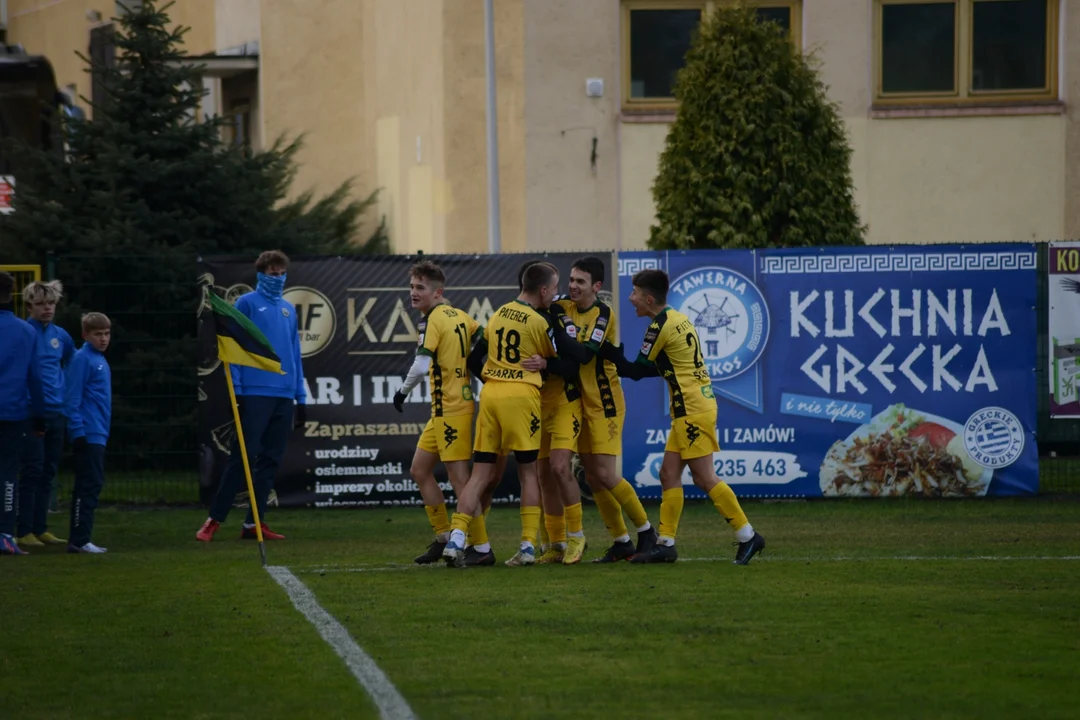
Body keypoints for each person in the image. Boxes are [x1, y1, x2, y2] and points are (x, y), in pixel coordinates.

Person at [600, 269, 765, 565]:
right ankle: (666, 544)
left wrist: (607, 354)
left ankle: (748, 536)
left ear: (648, 299)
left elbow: (637, 371)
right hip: (691, 406)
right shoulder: (677, 318)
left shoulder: (659, 326)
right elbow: (657, 367)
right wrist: (618, 358)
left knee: (704, 477)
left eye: (634, 293)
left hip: (692, 408)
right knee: (669, 474)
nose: (630, 298)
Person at [443, 263, 559, 567]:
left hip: (491, 394)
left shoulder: (497, 314)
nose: (556, 294)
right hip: (522, 396)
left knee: (479, 475)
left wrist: (495, 376)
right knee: (528, 473)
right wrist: (544, 363)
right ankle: (528, 546)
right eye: (555, 288)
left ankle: (457, 536)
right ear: (543, 290)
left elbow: (475, 357)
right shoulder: (539, 322)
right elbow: (559, 358)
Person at [196, 250, 307, 542]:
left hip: (283, 395)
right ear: (260, 274)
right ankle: (214, 520)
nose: (277, 278)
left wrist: (301, 396)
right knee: (242, 458)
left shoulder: (287, 309)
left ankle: (253, 523)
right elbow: (233, 352)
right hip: (255, 394)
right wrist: (240, 392)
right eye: (272, 273)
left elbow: (295, 354)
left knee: (270, 460)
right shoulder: (245, 304)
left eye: (281, 273)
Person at [555, 257, 657, 563]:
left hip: (604, 403)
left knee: (604, 473)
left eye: (580, 281)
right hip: (578, 403)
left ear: (597, 287)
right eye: (571, 280)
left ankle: (647, 531)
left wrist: (558, 340)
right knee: (594, 477)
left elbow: (586, 357)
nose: (573, 286)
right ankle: (621, 540)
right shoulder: (561, 307)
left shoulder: (603, 313)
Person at [390, 261, 491, 565]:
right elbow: (485, 339)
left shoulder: (431, 319)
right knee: (419, 470)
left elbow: (421, 366)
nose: (413, 293)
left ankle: (482, 548)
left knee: (461, 480)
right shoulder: (459, 315)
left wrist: (402, 392)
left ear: (438, 293)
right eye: (411, 287)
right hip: (445, 409)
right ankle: (443, 537)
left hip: (452, 409)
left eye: (420, 287)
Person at [17, 280, 75, 548]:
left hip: (57, 412)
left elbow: (72, 365)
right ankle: (23, 529)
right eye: (41, 304)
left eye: (51, 303)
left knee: (49, 471)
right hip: (30, 413)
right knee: (32, 470)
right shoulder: (22, 333)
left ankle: (41, 528)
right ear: (30, 306)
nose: (47, 308)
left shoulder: (61, 336)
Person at [0, 271, 44, 556]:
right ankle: (4, 534)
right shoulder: (27, 331)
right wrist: (39, 416)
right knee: (7, 474)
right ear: (13, 293)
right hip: (13, 413)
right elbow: (35, 378)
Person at [65, 312, 113, 554]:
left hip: (98, 431)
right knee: (88, 485)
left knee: (92, 484)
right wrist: (78, 433)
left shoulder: (100, 359)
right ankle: (79, 539)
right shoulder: (82, 359)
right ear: (85, 335)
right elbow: (72, 398)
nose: (103, 339)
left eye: (106, 334)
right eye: (98, 334)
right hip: (88, 432)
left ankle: (81, 538)